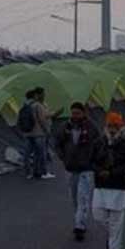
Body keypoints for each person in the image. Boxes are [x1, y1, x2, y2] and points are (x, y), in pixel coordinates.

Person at [91, 112, 125, 249]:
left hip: (118, 186)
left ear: (120, 128)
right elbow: (92, 162)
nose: (112, 129)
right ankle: (113, 238)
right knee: (98, 215)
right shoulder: (98, 143)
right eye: (110, 126)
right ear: (105, 127)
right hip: (100, 186)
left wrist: (111, 173)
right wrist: (99, 172)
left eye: (115, 126)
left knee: (116, 220)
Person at [55, 102, 101, 241]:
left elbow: (98, 145)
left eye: (78, 113)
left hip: (86, 168)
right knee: (74, 198)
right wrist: (63, 157)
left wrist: (93, 161)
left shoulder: (91, 127)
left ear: (83, 113)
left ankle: (79, 226)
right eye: (73, 113)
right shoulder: (65, 127)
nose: (75, 116)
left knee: (83, 197)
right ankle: (79, 219)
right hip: (70, 168)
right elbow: (58, 143)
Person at [19, 87, 53, 180]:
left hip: (27, 133)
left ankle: (28, 173)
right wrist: (46, 131)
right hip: (38, 133)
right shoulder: (37, 105)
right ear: (36, 95)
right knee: (41, 153)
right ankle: (43, 172)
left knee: (27, 153)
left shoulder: (25, 105)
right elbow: (41, 119)